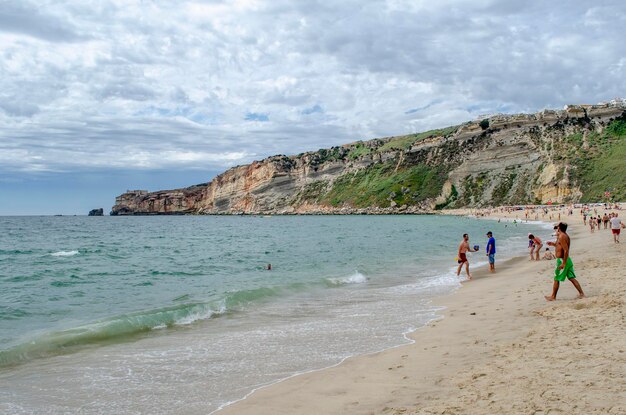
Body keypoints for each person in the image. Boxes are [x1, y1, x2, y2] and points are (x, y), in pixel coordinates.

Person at [545, 222, 585, 301]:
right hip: (567, 260)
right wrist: (552, 244)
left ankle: (553, 297)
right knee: (571, 277)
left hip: (562, 260)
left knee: (556, 278)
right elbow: (560, 246)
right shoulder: (562, 236)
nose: (557, 229)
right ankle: (582, 294)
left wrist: (563, 263)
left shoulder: (562, 236)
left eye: (557, 227)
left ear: (559, 228)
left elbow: (566, 250)